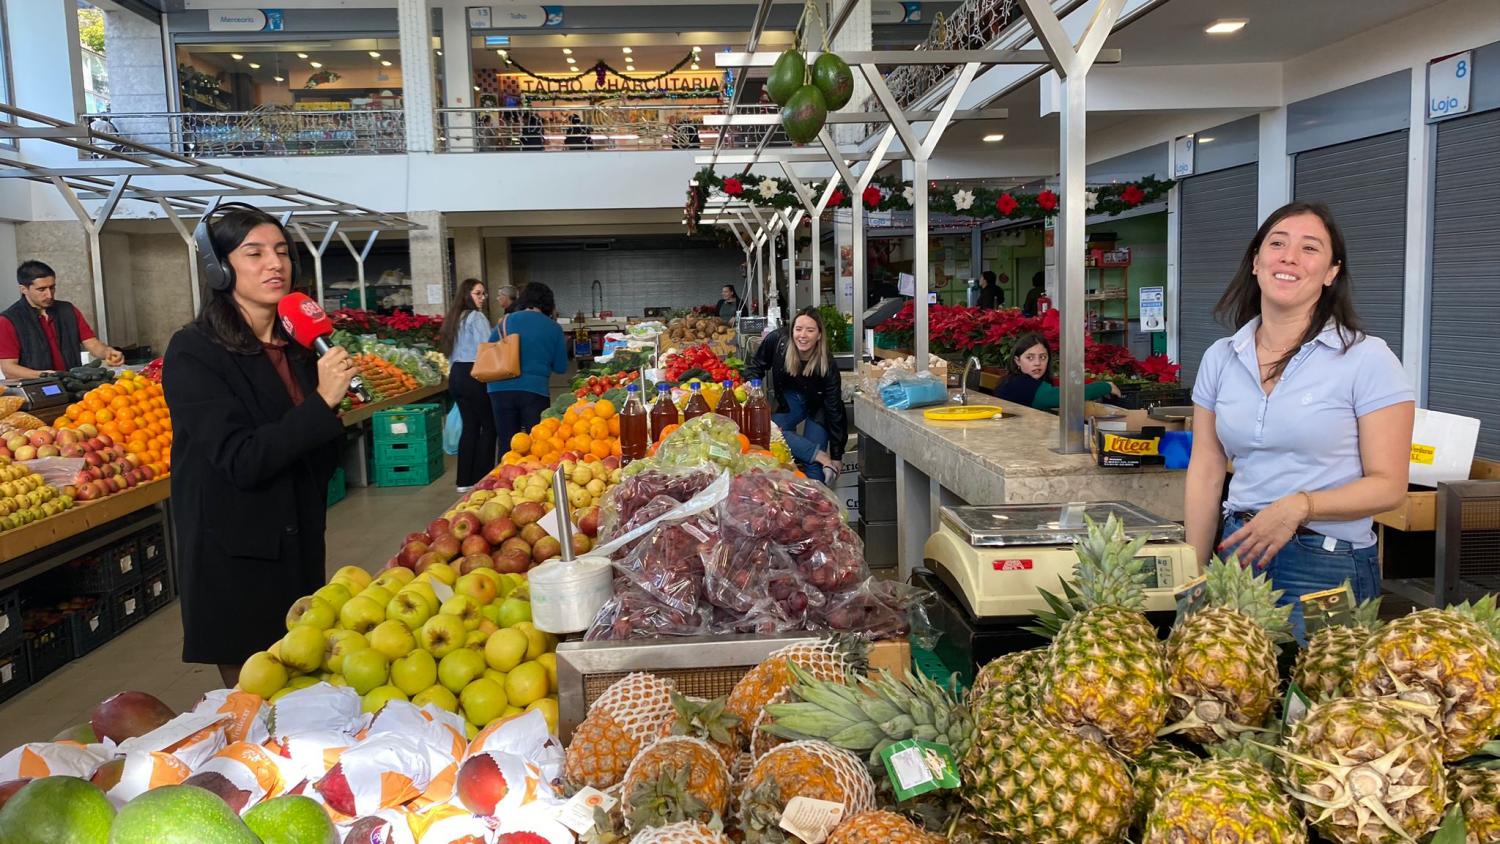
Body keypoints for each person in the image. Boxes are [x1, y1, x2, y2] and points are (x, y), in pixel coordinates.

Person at [1185, 201, 1414, 640]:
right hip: (1238, 553)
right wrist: (1195, 567)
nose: (1289, 257)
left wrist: (1299, 506)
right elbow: (1207, 467)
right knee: (1228, 700)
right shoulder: (1221, 357)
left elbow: (1389, 485)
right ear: (1256, 261)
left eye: (1310, 248)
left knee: (1318, 702)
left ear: (1331, 272)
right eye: (1277, 244)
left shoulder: (1367, 358)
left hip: (1326, 564)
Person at [162, 204, 356, 686]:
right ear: (219, 268)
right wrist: (321, 403)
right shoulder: (195, 351)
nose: (275, 264)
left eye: (281, 252)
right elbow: (241, 459)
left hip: (298, 542)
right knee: (257, 699)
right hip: (237, 555)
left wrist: (331, 410)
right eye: (254, 253)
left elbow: (314, 449)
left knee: (307, 684)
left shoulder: (299, 347)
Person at [743, 307, 847, 484]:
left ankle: (817, 504)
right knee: (769, 433)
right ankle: (820, 455)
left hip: (818, 405)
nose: (803, 335)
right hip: (790, 400)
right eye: (798, 329)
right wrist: (753, 384)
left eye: (810, 330)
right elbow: (756, 366)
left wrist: (837, 454)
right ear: (792, 331)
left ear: (819, 335)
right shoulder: (777, 341)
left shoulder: (827, 364)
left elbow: (834, 407)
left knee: (813, 466)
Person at [0, 261, 124, 379]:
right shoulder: (8, 320)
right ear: (24, 289)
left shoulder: (68, 310)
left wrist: (108, 352)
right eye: (41, 289)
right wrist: (44, 375)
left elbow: (92, 344)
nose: (49, 295)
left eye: (52, 287)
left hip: (73, 385)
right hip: (36, 389)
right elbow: (9, 368)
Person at [488, 282, 568, 456]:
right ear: (548, 303)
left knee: (507, 443)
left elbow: (489, 349)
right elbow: (561, 367)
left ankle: (503, 480)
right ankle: (532, 480)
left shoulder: (505, 321)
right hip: (534, 391)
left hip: (499, 389)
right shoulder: (553, 328)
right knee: (537, 444)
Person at [439, 278, 497, 493]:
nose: (482, 298)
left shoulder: (454, 318)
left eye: (483, 294)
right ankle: (483, 479)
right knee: (489, 427)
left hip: (456, 375)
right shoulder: (476, 317)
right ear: (467, 294)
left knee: (470, 426)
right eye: (478, 293)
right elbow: (487, 347)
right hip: (474, 373)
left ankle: (464, 481)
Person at [989, 331, 1120, 410]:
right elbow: (1064, 397)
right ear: (1017, 361)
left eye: (1043, 357)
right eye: (1030, 357)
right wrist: (1105, 386)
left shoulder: (1013, 380)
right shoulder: (1021, 384)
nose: (1037, 363)